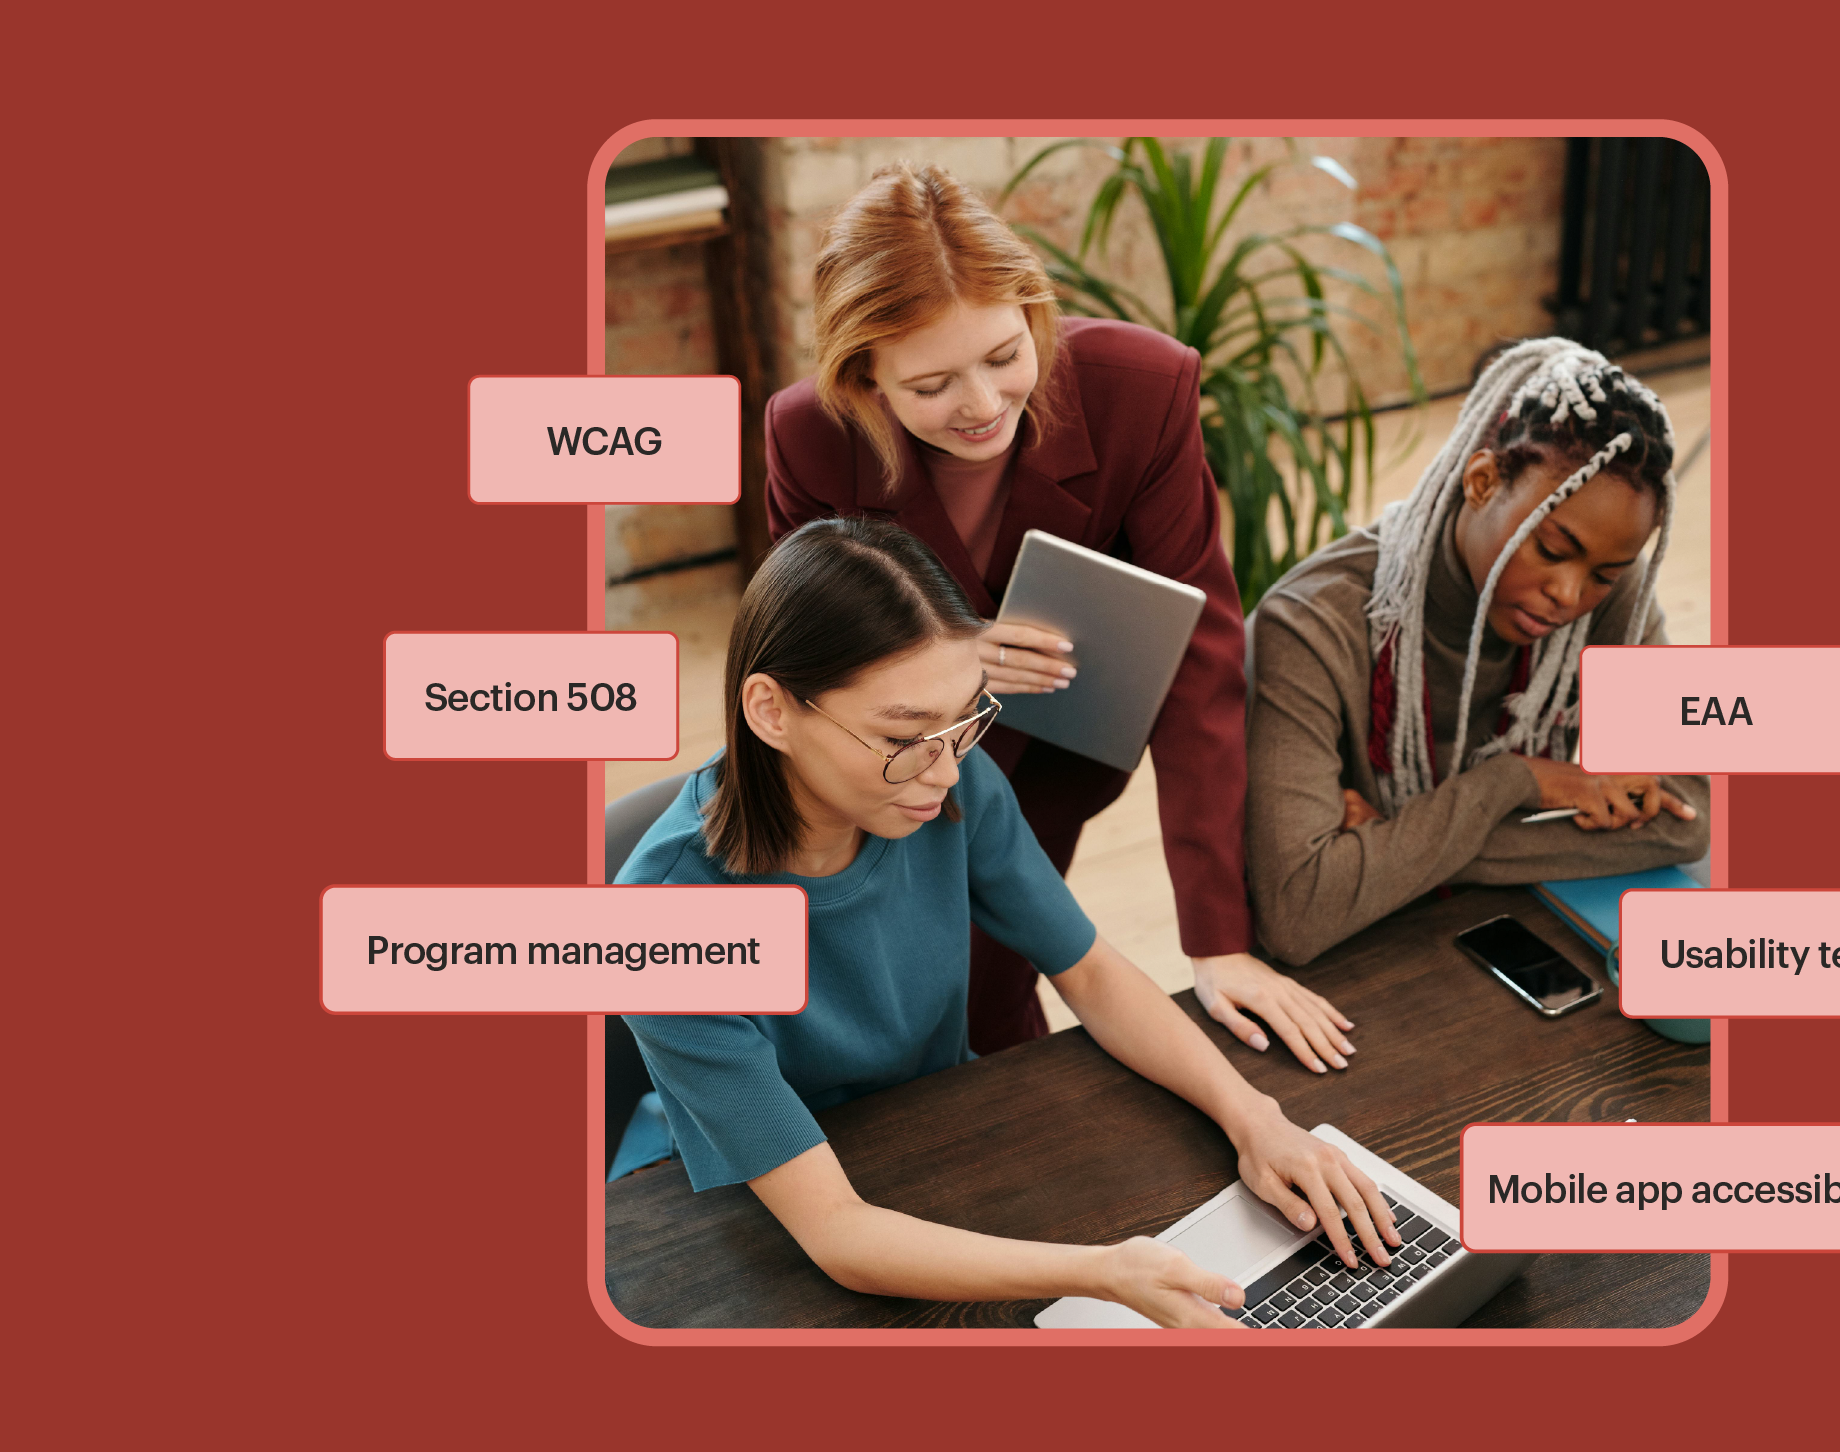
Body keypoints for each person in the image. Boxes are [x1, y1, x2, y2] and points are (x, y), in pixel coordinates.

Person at [616, 518, 1400, 1327]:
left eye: (964, 721)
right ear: (771, 711)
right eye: (902, 736)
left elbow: (1090, 972)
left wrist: (1256, 1119)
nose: (947, 767)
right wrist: (1107, 1272)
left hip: (942, 1139)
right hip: (763, 1222)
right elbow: (836, 1232)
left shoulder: (950, 785)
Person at [761, 161, 1353, 1075]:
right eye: (930, 385)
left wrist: (1216, 938)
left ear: (1033, 311)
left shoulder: (1141, 390)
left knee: (995, 974)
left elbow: (1202, 661)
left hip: (1058, 749)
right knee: (887, 987)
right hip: (886, 755)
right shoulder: (806, 434)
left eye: (1004, 356)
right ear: (863, 377)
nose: (984, 404)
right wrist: (952, 653)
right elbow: (806, 647)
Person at [1245, 338, 1711, 965]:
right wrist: (1518, 783)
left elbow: (1686, 818)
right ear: (1483, 481)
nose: (1569, 594)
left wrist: (1389, 835)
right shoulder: (1309, 623)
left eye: (1603, 573)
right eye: (1551, 548)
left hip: (1508, 928)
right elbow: (1300, 909)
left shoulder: (1615, 594)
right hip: (1350, 977)